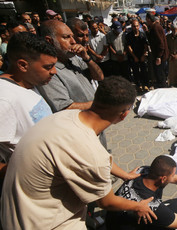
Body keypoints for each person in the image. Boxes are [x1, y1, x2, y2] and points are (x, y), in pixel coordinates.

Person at [1, 76, 157, 229]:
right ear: (124, 115)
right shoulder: (91, 153)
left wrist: (124, 174)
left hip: (14, 213)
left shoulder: (66, 117)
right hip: (44, 223)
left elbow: (91, 157)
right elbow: (107, 202)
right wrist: (137, 206)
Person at [106, 155, 177, 230]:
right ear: (163, 179)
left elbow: (173, 178)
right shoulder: (152, 206)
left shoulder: (142, 170)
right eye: (172, 174)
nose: (173, 177)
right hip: (121, 226)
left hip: (112, 218)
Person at [0, 32, 56, 170]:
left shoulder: (29, 84)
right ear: (23, 65)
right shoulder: (4, 99)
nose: (55, 71)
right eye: (48, 67)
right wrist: (24, 173)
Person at [146, 13, 169, 88]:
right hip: (157, 55)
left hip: (160, 56)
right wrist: (146, 31)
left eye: (146, 20)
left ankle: (162, 89)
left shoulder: (156, 27)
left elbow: (161, 43)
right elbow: (151, 40)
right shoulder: (153, 27)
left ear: (149, 19)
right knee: (158, 73)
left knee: (160, 74)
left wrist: (159, 56)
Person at [127, 19, 149, 92]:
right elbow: (129, 47)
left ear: (139, 26)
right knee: (135, 71)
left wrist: (143, 55)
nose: (135, 28)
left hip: (142, 55)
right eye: (134, 26)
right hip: (134, 56)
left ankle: (145, 84)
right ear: (131, 27)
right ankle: (138, 85)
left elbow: (146, 46)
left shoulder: (142, 34)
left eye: (137, 26)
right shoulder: (129, 35)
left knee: (144, 71)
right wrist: (134, 57)